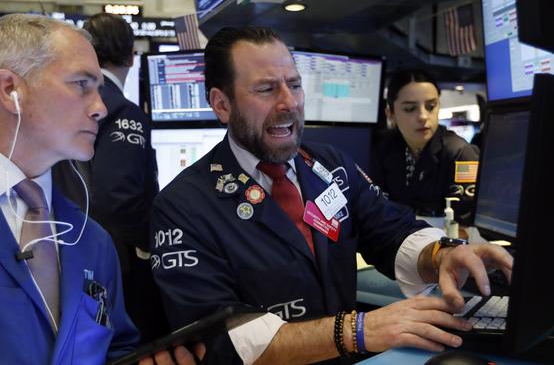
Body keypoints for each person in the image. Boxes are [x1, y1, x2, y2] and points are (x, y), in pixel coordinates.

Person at [150, 26, 513, 364]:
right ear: (222, 104)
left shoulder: (328, 166)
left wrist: (441, 255)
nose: (288, 102)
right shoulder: (182, 208)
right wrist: (356, 330)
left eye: (294, 85)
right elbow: (223, 339)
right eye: (266, 89)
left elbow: (390, 230)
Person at [0, 14, 201, 365]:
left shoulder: (92, 239)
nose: (101, 108)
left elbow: (115, 348)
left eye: (99, 89)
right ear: (10, 89)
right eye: (81, 85)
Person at [52, 12, 168, 343]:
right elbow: (120, 199)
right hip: (121, 264)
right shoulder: (121, 111)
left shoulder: (65, 106)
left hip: (73, 250)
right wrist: (161, 240)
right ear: (132, 55)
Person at [370, 69, 479, 226]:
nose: (423, 116)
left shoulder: (460, 153)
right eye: (410, 109)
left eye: (431, 106)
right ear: (390, 114)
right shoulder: (383, 149)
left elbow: (465, 224)